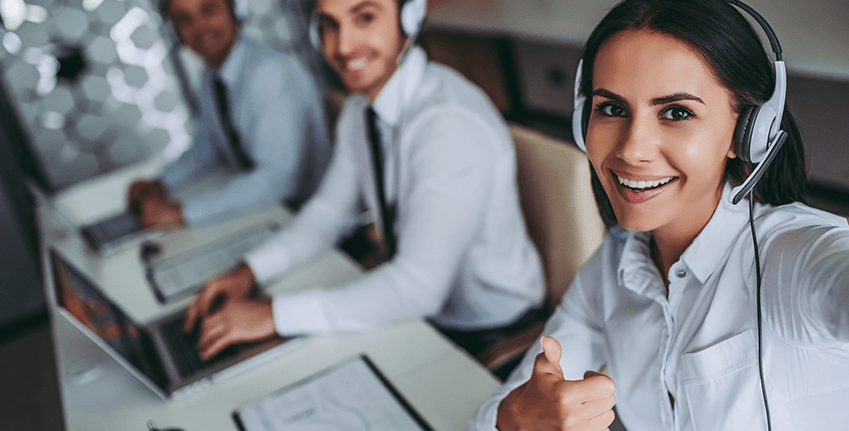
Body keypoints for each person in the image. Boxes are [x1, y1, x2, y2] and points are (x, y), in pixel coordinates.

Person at [470, 0, 849, 431]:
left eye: (676, 112)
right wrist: (521, 415)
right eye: (612, 109)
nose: (633, 150)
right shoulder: (612, 267)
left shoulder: (795, 258)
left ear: (748, 132)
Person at [180, 0, 546, 362]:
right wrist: (249, 270)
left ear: (409, 17)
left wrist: (273, 314)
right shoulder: (361, 111)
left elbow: (418, 288)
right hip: (420, 313)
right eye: (329, 25)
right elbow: (326, 215)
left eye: (365, 17)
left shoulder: (447, 124)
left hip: (488, 329)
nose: (342, 45)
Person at [128, 0, 331, 228]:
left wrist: (182, 212)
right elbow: (208, 146)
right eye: (184, 19)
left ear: (234, 10)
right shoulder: (212, 75)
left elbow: (277, 180)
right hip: (270, 213)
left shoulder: (271, 74)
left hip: (310, 220)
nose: (200, 26)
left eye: (209, 9)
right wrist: (162, 183)